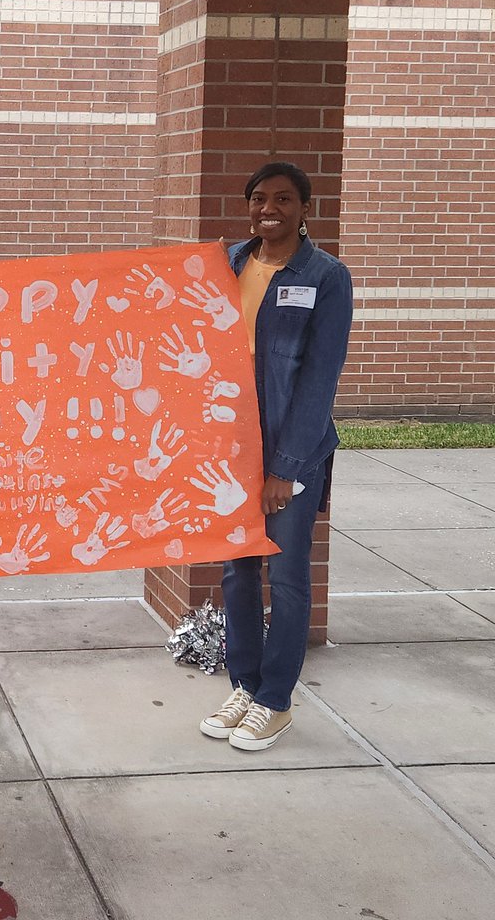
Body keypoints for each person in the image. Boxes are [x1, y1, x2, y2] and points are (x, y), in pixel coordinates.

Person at [200, 161, 353, 751]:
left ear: (304, 208)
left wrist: (284, 468)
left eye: (284, 199)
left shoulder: (326, 276)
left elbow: (319, 378)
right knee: (237, 569)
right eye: (259, 198)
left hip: (293, 450)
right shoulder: (227, 264)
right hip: (229, 449)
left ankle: (275, 700)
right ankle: (245, 682)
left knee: (286, 576)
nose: (270, 209)